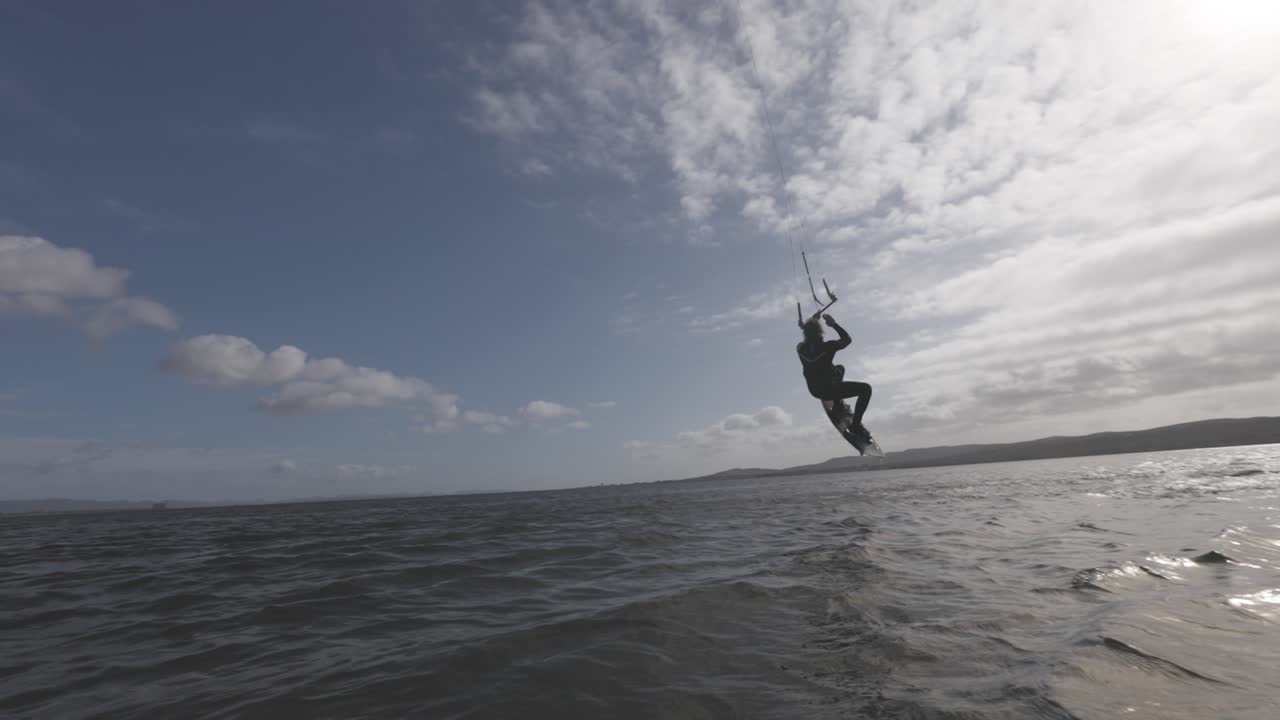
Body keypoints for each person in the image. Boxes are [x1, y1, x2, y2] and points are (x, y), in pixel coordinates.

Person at [796, 313, 872, 438]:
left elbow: (809, 340)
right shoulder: (829, 347)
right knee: (866, 389)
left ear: (805, 333)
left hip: (814, 390)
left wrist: (810, 323)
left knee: (839, 368)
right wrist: (833, 324)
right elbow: (847, 339)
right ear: (820, 333)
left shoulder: (800, 348)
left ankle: (837, 406)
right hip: (829, 390)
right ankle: (855, 426)